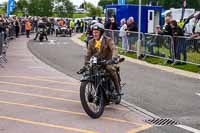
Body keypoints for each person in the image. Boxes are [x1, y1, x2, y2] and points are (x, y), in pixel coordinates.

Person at [85, 23, 122, 96]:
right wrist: (86, 63)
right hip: (97, 63)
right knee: (89, 72)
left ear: (101, 33)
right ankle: (98, 90)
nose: (94, 34)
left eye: (96, 32)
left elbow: (114, 49)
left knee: (110, 69)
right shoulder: (91, 42)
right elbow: (88, 54)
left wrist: (114, 57)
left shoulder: (108, 40)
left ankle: (118, 90)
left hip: (108, 61)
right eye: (93, 32)